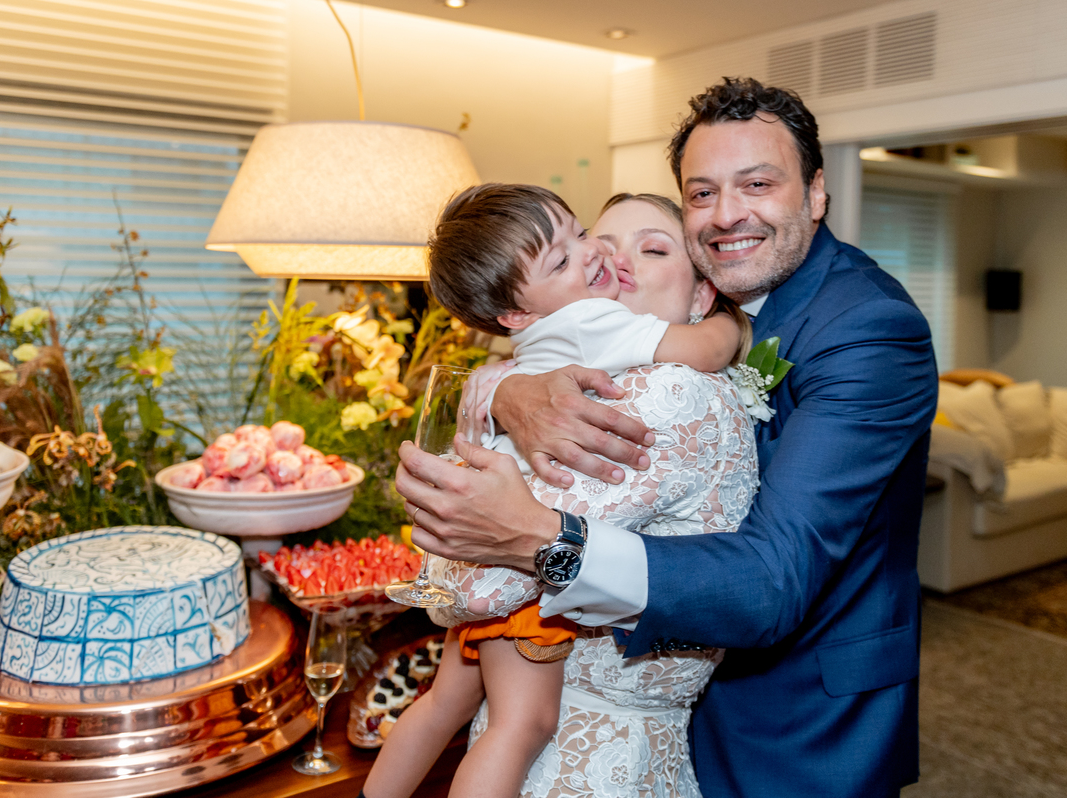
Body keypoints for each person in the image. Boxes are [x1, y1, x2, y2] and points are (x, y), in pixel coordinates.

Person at [395, 77, 939, 797]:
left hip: (797, 718)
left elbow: (774, 579)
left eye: (758, 183)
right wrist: (507, 389)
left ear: (815, 193)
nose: (727, 214)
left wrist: (541, 540)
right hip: (657, 693)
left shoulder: (868, 329)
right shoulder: (667, 316)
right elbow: (546, 341)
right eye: (702, 193)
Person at [363, 185, 749, 798]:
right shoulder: (600, 328)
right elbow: (707, 347)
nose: (609, 258)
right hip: (520, 593)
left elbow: (469, 579)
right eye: (591, 244)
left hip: (517, 598)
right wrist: (735, 320)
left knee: (445, 705)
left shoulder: (646, 381)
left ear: (702, 290)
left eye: (651, 249)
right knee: (520, 725)